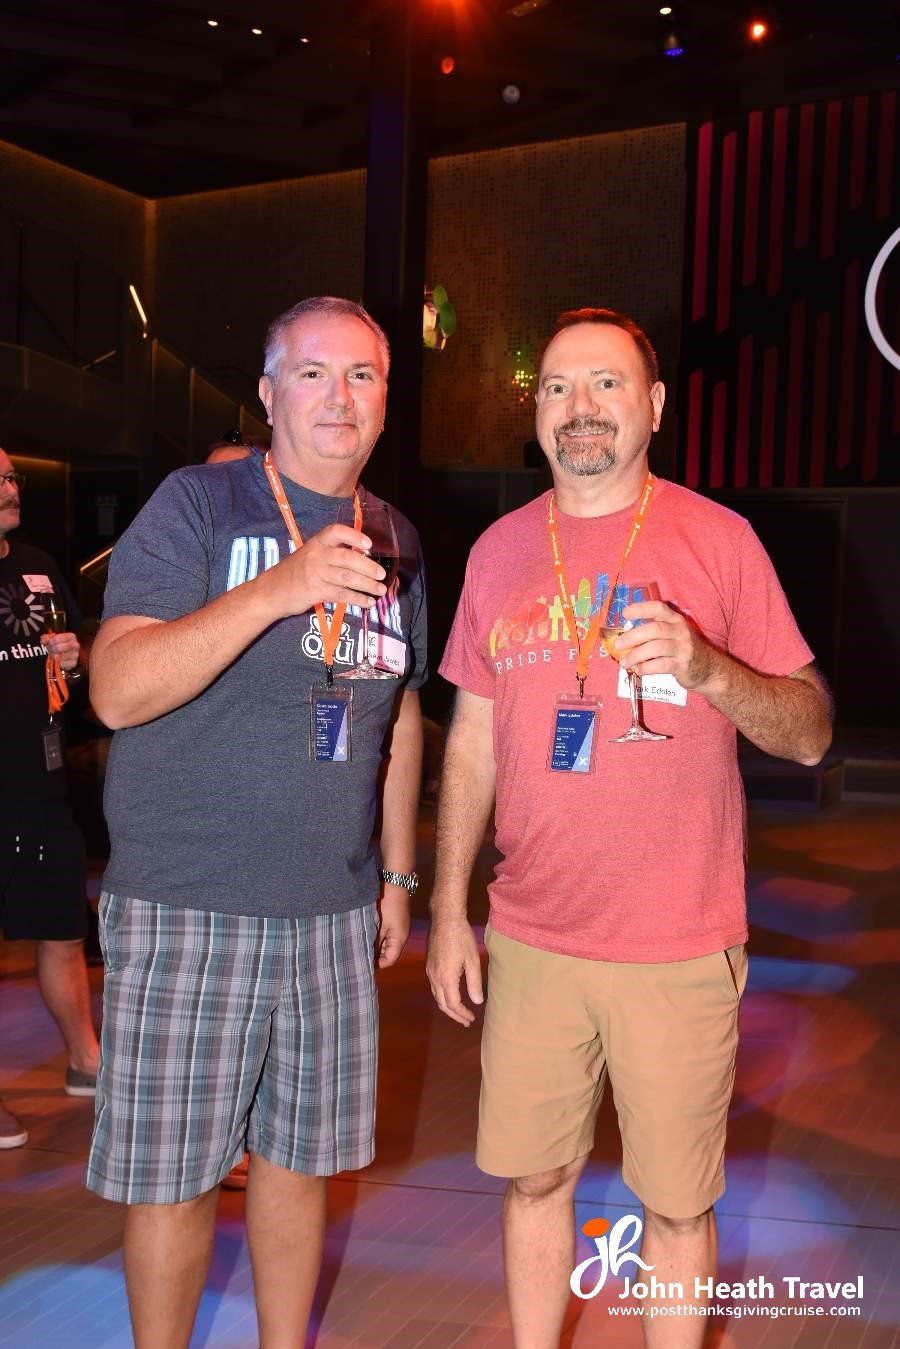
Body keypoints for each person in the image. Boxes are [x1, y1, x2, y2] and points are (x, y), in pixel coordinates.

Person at [427, 308, 833, 1349]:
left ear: (653, 406)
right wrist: (446, 907)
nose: (581, 408)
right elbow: (471, 738)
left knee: (677, 1202)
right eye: (558, 387)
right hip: (530, 934)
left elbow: (810, 732)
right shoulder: (500, 550)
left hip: (679, 938)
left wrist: (707, 667)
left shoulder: (717, 538)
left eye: (607, 384)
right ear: (537, 412)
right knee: (535, 1175)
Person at [84, 297, 426, 1348]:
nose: (339, 396)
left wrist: (397, 873)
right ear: (271, 393)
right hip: (192, 900)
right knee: (177, 1177)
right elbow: (115, 689)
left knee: (299, 1163)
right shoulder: (198, 503)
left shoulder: (397, 535)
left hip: (329, 905)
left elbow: (398, 709)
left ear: (383, 402)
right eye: (313, 374)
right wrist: (280, 588)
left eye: (362, 375)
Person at [0, 448, 100, 1149]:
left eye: (11, 476)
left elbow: (80, 648)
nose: (10, 487)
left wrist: (76, 655)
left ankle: (87, 1060)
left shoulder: (35, 562)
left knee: (63, 924)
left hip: (39, 777)